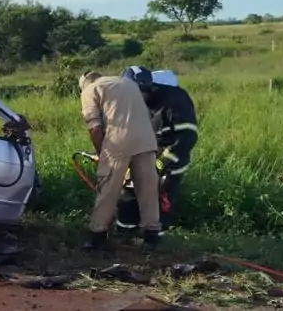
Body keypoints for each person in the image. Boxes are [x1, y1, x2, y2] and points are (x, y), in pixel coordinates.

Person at [78, 71, 162, 253]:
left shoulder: (90, 90)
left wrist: (102, 154)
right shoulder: (127, 83)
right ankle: (152, 237)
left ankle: (97, 237)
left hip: (118, 141)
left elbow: (94, 127)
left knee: (108, 189)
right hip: (147, 139)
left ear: (84, 84)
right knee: (148, 189)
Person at [120, 65, 198, 230]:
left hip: (171, 161)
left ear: (146, 87)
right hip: (144, 156)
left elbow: (187, 137)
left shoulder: (175, 101)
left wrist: (162, 163)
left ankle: (154, 245)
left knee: (160, 199)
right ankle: (125, 237)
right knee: (128, 195)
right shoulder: (136, 101)